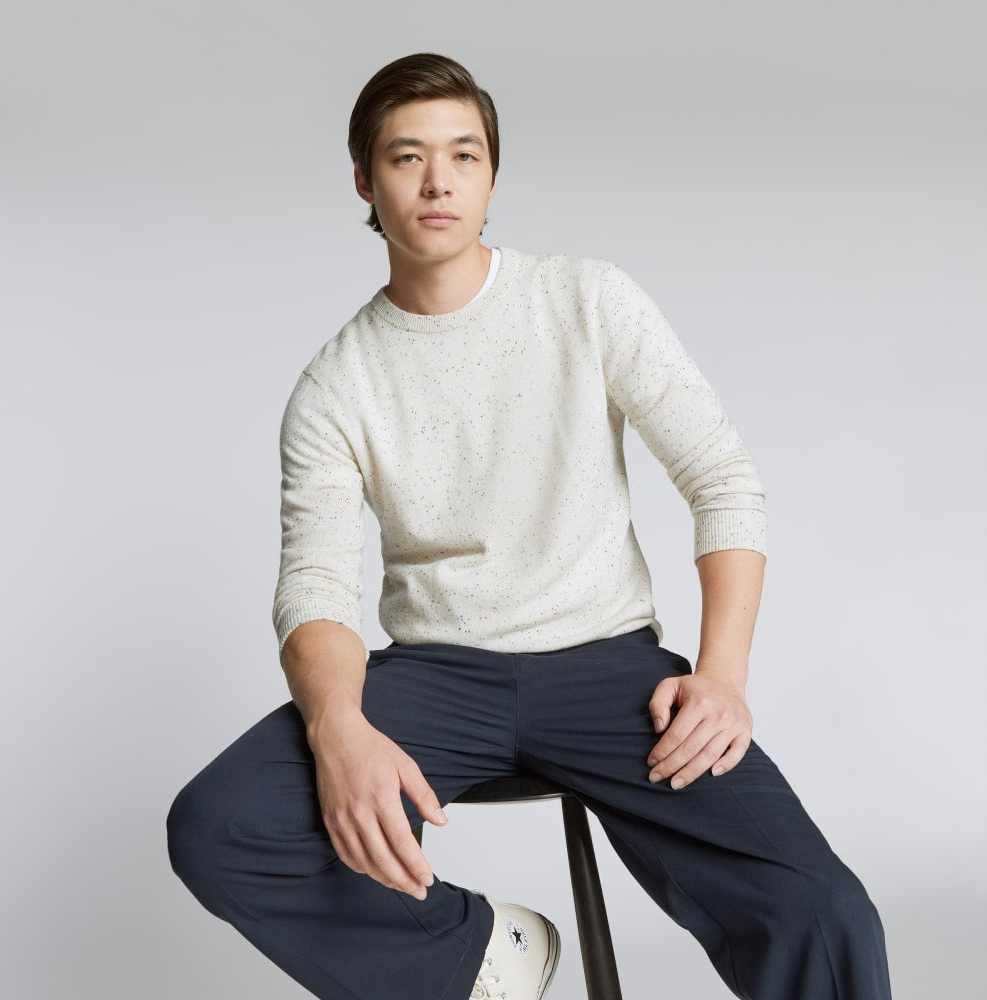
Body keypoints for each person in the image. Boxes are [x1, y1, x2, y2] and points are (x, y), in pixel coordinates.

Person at [167, 52, 892, 999]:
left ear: (492, 177)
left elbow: (722, 480)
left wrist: (721, 676)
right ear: (365, 182)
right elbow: (314, 589)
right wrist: (339, 724)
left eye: (464, 155)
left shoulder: (585, 299)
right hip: (435, 677)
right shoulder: (335, 386)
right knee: (221, 826)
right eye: (407, 157)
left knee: (823, 912)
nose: (438, 181)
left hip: (609, 669)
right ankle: (479, 954)